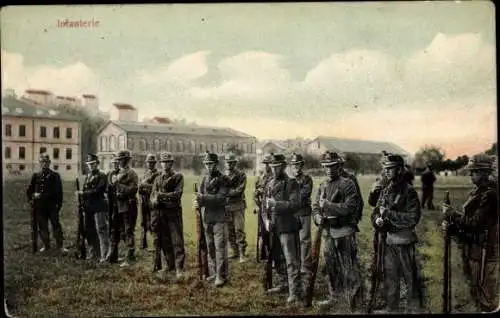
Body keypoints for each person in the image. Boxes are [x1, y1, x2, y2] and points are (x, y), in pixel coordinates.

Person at [442, 154, 499, 313]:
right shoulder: (478, 192)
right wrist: (454, 228)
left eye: (474, 171)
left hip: (485, 252)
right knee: (476, 290)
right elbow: (469, 223)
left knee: (486, 295)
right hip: (475, 248)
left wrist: (453, 215)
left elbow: (475, 223)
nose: (470, 174)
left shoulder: (490, 194)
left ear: (484, 172)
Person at [370, 154, 425, 313]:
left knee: (410, 278)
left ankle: (415, 309)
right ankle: (391, 308)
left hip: (404, 241)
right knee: (390, 277)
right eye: (385, 168)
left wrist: (389, 215)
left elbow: (412, 218)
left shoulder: (409, 192)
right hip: (388, 241)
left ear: (400, 170)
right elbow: (375, 211)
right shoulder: (385, 190)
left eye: (390, 169)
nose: (386, 172)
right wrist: (377, 221)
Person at [311, 151, 364, 311]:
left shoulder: (348, 184)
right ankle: (335, 297)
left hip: (344, 230)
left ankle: (355, 300)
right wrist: (318, 217)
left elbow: (350, 207)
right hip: (327, 231)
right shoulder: (322, 185)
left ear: (339, 166)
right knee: (331, 267)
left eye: (332, 166)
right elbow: (315, 206)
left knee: (348, 267)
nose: (328, 169)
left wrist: (327, 205)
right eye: (326, 166)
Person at [262, 153, 302, 305]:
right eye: (271, 167)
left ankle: (295, 291)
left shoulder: (291, 183)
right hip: (273, 227)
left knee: (291, 260)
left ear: (283, 166)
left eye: (277, 167)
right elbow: (264, 208)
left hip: (287, 226)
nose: (273, 170)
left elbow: (295, 205)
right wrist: (265, 221)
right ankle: (284, 284)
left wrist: (276, 204)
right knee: (277, 258)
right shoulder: (269, 183)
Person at [193, 152, 230, 287]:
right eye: (206, 164)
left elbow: (221, 198)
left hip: (220, 217)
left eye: (211, 164)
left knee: (220, 247)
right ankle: (215, 273)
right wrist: (198, 202)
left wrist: (202, 199)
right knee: (210, 247)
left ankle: (222, 275)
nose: (208, 166)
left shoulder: (224, 179)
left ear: (216, 164)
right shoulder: (205, 179)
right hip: (207, 217)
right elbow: (201, 196)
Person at [150, 152, 185, 279]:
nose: (165, 164)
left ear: (171, 163)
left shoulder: (178, 177)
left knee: (177, 241)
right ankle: (170, 265)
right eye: (163, 162)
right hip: (161, 213)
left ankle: (179, 268)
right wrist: (154, 201)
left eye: (168, 162)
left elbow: (177, 195)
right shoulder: (157, 178)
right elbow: (153, 196)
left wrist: (162, 196)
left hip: (173, 213)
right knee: (165, 241)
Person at [26, 153, 67, 254]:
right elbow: (29, 191)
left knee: (56, 226)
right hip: (40, 206)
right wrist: (33, 197)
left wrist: (58, 205)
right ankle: (46, 245)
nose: (44, 164)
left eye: (46, 162)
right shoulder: (36, 176)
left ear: (49, 163)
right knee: (42, 226)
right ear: (40, 163)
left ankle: (60, 246)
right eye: (42, 162)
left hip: (52, 205)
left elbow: (59, 192)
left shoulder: (55, 176)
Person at [106, 150, 139, 267]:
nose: (120, 162)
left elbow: (133, 189)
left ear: (127, 160)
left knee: (128, 231)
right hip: (117, 206)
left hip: (128, 206)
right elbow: (111, 188)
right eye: (119, 160)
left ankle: (130, 257)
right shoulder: (116, 173)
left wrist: (118, 185)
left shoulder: (132, 173)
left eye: (123, 160)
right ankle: (113, 255)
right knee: (115, 230)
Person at [289, 153, 314, 294]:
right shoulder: (290, 180)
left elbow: (302, 196)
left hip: (304, 213)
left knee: (304, 241)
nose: (295, 167)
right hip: (292, 215)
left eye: (298, 164)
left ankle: (306, 268)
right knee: (294, 242)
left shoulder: (307, 179)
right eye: (293, 165)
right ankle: (296, 267)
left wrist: (291, 198)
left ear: (301, 165)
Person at [78, 153, 109, 263]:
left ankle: (104, 255)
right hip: (88, 207)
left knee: (101, 230)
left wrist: (84, 193)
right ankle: (93, 254)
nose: (91, 166)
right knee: (89, 230)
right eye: (89, 164)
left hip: (99, 206)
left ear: (97, 164)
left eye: (93, 164)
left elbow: (98, 190)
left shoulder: (102, 176)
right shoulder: (88, 176)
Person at [224, 153, 248, 263]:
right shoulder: (223, 176)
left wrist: (226, 192)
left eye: (232, 162)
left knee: (239, 229)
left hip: (238, 205)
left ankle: (242, 253)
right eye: (228, 162)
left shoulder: (241, 175)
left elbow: (239, 190)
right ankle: (234, 251)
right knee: (229, 231)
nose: (229, 164)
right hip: (227, 206)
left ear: (235, 163)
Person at [253, 153, 274, 261]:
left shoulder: (275, 178)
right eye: (265, 164)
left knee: (272, 232)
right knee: (263, 231)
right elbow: (255, 193)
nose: (267, 166)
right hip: (262, 208)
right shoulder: (260, 178)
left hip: (273, 208)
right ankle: (264, 254)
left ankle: (274, 256)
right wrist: (256, 204)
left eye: (269, 163)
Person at [138, 154, 160, 250]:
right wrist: (143, 187)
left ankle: (154, 245)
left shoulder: (158, 174)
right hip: (143, 200)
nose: (150, 164)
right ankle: (143, 244)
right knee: (143, 222)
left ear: (155, 163)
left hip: (153, 201)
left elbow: (157, 188)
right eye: (149, 163)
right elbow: (139, 187)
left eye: (152, 163)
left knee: (153, 222)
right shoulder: (144, 174)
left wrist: (145, 186)